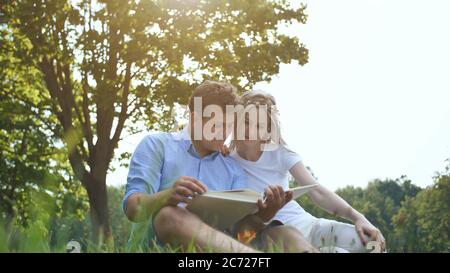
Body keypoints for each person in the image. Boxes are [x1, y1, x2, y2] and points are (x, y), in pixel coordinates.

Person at [122, 81, 313, 252]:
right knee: (169, 214)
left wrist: (263, 215)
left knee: (283, 232)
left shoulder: (232, 168)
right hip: (162, 244)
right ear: (195, 118)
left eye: (229, 125)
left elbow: (241, 236)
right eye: (217, 125)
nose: (224, 133)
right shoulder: (157, 145)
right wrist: (166, 196)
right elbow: (132, 208)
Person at [228, 90, 386, 253]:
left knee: (372, 243)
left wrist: (358, 217)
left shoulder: (280, 153)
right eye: (246, 121)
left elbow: (317, 191)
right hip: (274, 234)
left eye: (259, 125)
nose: (250, 130)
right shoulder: (226, 160)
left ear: (268, 133)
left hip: (309, 226)